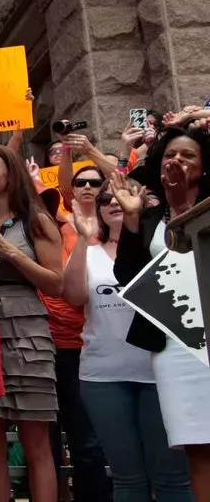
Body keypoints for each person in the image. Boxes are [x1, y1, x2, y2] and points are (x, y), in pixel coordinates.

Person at [64, 188, 195, 501]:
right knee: (127, 479)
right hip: (104, 377)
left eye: (121, 195)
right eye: (104, 199)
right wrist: (83, 238)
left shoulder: (162, 245)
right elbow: (72, 296)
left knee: (173, 478)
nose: (113, 202)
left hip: (160, 373)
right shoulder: (90, 253)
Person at [112, 126, 210, 500]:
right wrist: (133, 223)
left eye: (188, 155)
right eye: (170, 155)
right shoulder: (149, 218)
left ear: (203, 167)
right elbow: (127, 276)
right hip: (174, 346)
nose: (177, 161)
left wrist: (184, 204)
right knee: (198, 446)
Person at [0, 144, 63, 502]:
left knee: (36, 443)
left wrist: (9, 252)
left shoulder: (34, 220)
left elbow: (56, 283)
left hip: (26, 335)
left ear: (9, 177)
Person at [42, 165, 113, 501]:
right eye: (79, 182)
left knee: (88, 442)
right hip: (47, 344)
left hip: (91, 345)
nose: (87, 187)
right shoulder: (54, 223)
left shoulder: (115, 232)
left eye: (94, 182)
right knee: (45, 442)